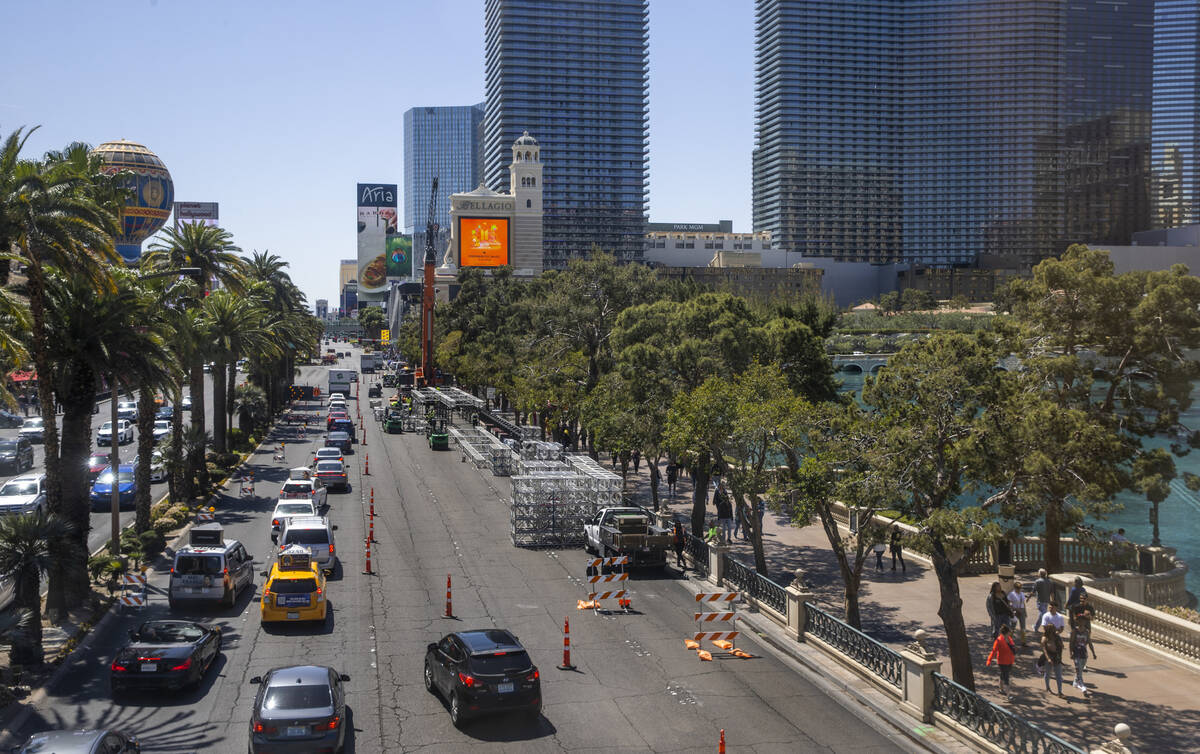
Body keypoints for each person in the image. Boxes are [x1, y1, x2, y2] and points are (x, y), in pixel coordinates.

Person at [986, 623, 1017, 698]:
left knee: (1003, 674)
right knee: (1006, 677)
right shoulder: (999, 640)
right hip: (1002, 662)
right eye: (1009, 631)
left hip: (1009, 661)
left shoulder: (1009, 639)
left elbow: (1013, 648)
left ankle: (1000, 688)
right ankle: (1008, 695)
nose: (1011, 632)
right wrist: (989, 660)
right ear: (1006, 632)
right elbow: (993, 651)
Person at [1070, 594, 1098, 660]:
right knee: (1075, 641)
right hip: (1078, 624)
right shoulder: (1076, 606)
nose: (1082, 600)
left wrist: (1088, 616)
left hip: (1087, 625)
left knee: (1085, 641)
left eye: (1084, 598)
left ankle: (1083, 656)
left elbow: (1093, 618)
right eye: (1081, 598)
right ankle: (1075, 654)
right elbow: (1074, 617)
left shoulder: (1090, 607)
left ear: (1087, 599)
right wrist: (1081, 615)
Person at [1041, 624, 1065, 696]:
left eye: (1053, 629)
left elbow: (1062, 646)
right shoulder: (1044, 638)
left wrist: (1060, 645)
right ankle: (1048, 687)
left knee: (1058, 675)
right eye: (1051, 629)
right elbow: (1044, 650)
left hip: (1057, 657)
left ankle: (1060, 691)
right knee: (1048, 673)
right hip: (1049, 657)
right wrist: (1048, 659)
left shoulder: (1057, 637)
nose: (1052, 631)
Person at [1069, 627, 1090, 694]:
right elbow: (1071, 642)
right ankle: (1082, 686)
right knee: (1078, 669)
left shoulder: (1086, 631)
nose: (1081, 622)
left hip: (1083, 653)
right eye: (1080, 620)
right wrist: (1070, 652)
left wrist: (1093, 652)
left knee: (1080, 670)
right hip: (1076, 652)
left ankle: (1075, 682)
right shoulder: (1074, 631)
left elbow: (1089, 642)